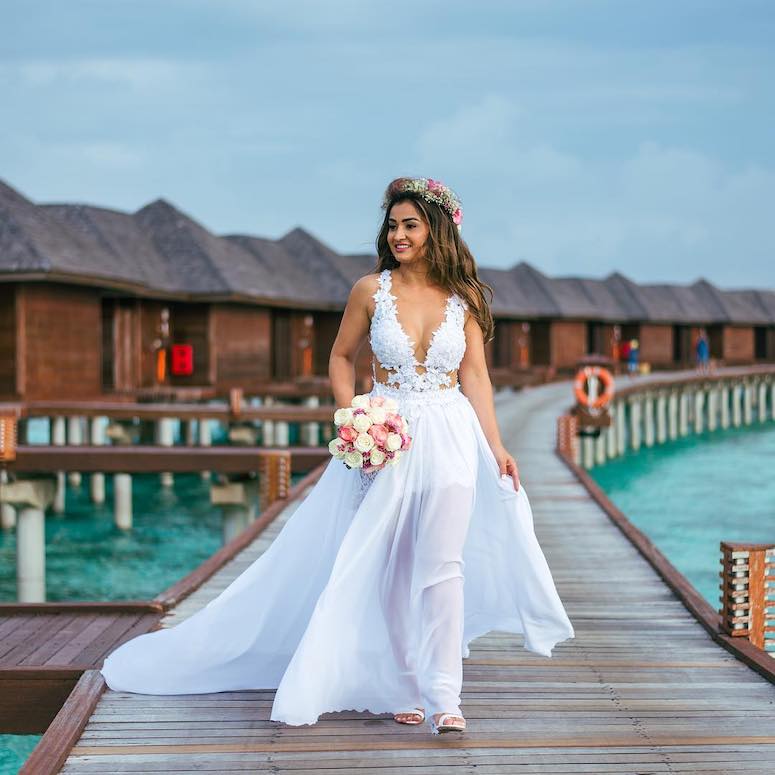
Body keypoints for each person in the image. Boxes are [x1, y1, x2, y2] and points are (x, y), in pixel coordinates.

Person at [100, 176, 575, 736]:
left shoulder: (462, 299)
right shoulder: (370, 291)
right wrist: (352, 418)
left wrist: (496, 446)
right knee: (391, 568)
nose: (397, 234)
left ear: (438, 231)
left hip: (451, 435)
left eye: (410, 225)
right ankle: (401, 683)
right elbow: (340, 358)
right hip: (387, 433)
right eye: (393, 225)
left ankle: (446, 694)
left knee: (444, 567)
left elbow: (475, 375)